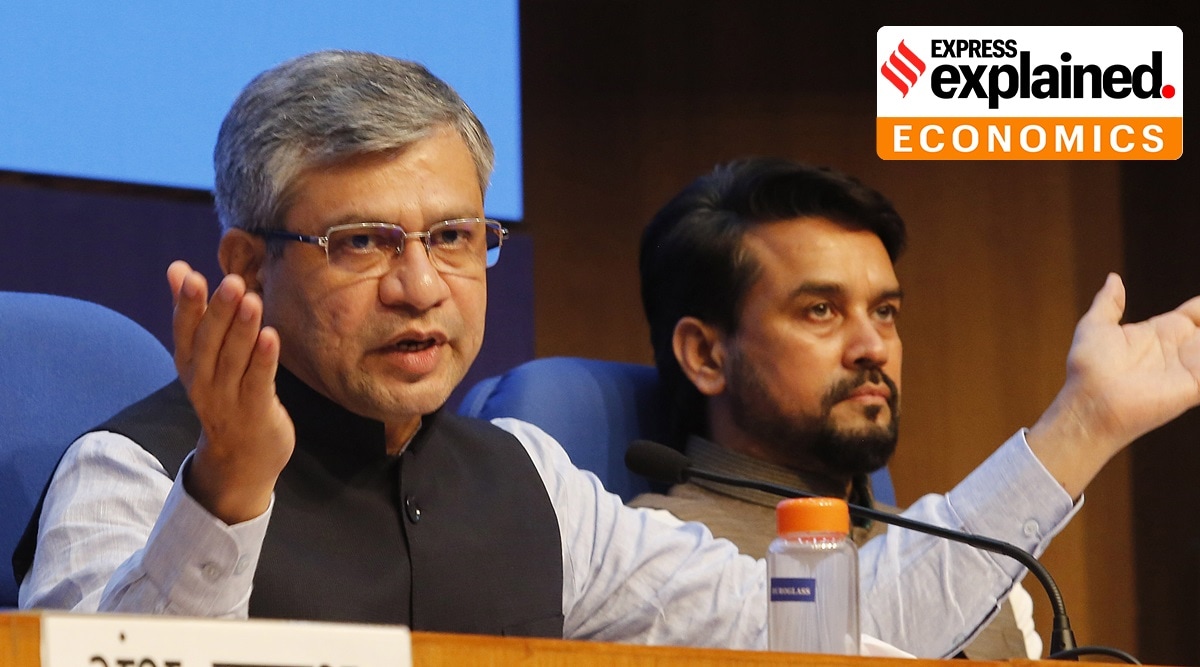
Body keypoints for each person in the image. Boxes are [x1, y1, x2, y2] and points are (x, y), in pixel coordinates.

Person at [13, 50, 1200, 658]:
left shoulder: (532, 478)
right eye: (364, 241)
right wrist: (225, 491)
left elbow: (827, 634)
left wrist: (1078, 426)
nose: (422, 284)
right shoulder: (126, 472)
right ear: (248, 262)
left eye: (457, 236)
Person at [629, 158, 1043, 658]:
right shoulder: (649, 560)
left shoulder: (981, 558)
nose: (874, 347)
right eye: (820, 310)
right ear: (706, 356)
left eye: (884, 312)